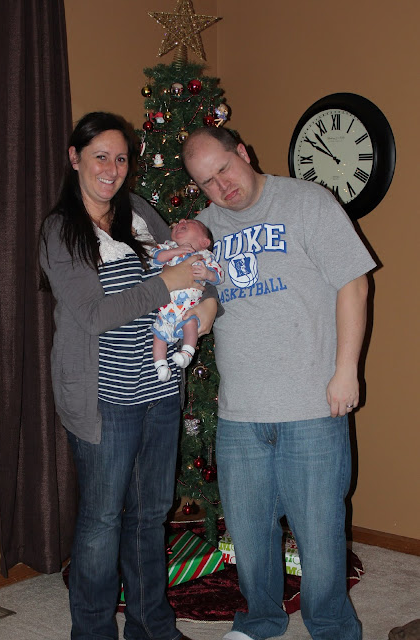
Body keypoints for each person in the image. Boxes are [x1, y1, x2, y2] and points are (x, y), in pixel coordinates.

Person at [182, 126, 376, 640]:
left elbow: (354, 284)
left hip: (312, 403)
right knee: (248, 533)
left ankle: (332, 627)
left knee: (319, 533)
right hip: (239, 411)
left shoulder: (308, 202)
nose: (221, 186)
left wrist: (346, 370)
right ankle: (261, 621)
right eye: (206, 181)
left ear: (243, 153)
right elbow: (201, 299)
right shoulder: (203, 228)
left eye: (224, 169)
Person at [39, 111, 219, 640]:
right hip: (105, 401)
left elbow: (195, 263)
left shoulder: (138, 211)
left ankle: (150, 627)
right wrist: (168, 282)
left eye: (120, 159)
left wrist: (206, 303)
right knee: (102, 520)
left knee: (151, 514)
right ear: (75, 158)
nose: (111, 169)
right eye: (101, 156)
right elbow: (95, 314)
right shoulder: (60, 230)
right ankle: (93, 632)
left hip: (160, 391)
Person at [148, 218, 224, 381]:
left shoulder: (204, 256)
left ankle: (187, 353)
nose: (181, 221)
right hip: (165, 310)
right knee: (158, 336)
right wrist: (175, 251)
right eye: (179, 222)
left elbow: (218, 277)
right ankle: (161, 366)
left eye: (190, 223)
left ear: (204, 242)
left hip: (188, 308)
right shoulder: (168, 247)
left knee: (191, 323)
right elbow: (155, 258)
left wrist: (207, 274)